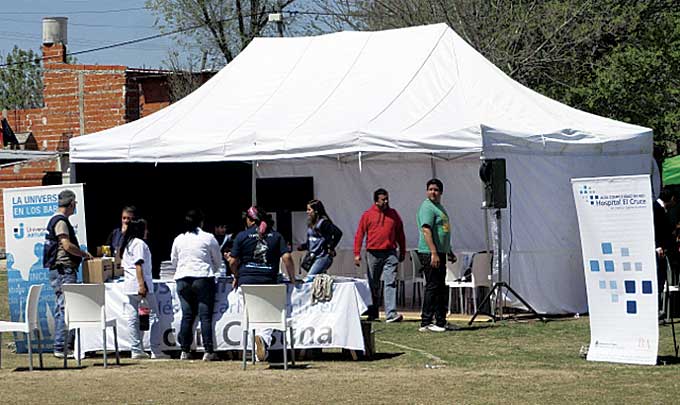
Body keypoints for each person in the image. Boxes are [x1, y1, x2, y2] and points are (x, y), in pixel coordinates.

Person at [227, 206, 296, 360]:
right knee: (269, 315)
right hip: (268, 284)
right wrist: (292, 278)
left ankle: (258, 347)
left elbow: (232, 261)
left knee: (250, 315)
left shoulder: (242, 236)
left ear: (251, 220)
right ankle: (262, 342)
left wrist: (236, 275)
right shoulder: (276, 236)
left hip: (246, 285)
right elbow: (287, 258)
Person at [43, 189, 92, 358]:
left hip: (61, 270)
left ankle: (63, 345)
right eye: (74, 204)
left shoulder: (57, 220)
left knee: (62, 307)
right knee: (66, 308)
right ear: (71, 203)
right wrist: (84, 254)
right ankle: (62, 347)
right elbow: (66, 245)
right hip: (64, 269)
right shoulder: (61, 222)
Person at [171, 209, 222, 361]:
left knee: (187, 315)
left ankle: (184, 350)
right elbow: (217, 260)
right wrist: (214, 268)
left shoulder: (179, 239)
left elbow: (174, 260)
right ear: (201, 222)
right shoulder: (208, 237)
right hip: (202, 277)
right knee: (205, 316)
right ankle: (208, 350)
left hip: (182, 278)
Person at [354, 188, 407, 322]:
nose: (386, 201)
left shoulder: (394, 214)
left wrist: (402, 250)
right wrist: (357, 253)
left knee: (390, 282)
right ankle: (373, 312)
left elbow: (400, 233)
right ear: (376, 201)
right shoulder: (367, 215)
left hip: (390, 253)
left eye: (387, 198)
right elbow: (360, 234)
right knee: (373, 284)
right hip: (373, 253)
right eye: (383, 199)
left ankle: (391, 314)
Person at [119, 219, 167, 360]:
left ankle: (136, 349)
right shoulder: (139, 244)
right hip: (140, 285)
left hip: (129, 285)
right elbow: (138, 265)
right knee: (154, 316)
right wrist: (142, 284)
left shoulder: (127, 244)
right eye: (145, 229)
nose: (147, 232)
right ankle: (155, 349)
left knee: (133, 317)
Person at [416, 179, 455, 332]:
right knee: (432, 286)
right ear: (427, 191)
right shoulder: (427, 207)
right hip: (429, 252)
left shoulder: (440, 207)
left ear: (441, 192)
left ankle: (441, 321)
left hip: (440, 252)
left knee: (440, 287)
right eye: (430, 189)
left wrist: (448, 250)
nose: (433, 192)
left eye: (436, 189)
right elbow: (426, 230)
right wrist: (433, 252)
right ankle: (426, 322)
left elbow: (443, 232)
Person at [300, 199, 342, 279]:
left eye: (309, 210)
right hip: (313, 257)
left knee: (309, 278)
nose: (307, 212)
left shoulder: (323, 223)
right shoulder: (311, 223)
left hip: (323, 256)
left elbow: (338, 233)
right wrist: (303, 246)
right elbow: (313, 241)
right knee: (319, 281)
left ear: (316, 211)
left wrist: (331, 247)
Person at [654, 187, 676, 313]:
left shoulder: (661, 208)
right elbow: (653, 228)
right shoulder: (656, 208)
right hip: (657, 250)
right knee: (658, 278)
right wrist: (657, 246)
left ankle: (659, 308)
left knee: (661, 279)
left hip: (663, 249)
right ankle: (656, 308)